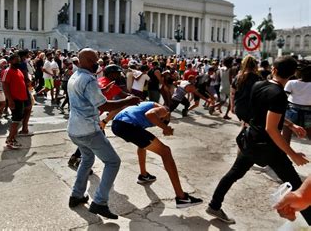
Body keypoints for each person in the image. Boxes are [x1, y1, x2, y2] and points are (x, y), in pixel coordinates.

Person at [206, 56, 311, 225]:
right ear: (292, 75)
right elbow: (271, 127)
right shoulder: (279, 95)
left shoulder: (258, 85)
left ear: (274, 70)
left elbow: (265, 115)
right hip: (268, 147)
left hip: (250, 139)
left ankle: (214, 205)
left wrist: (291, 125)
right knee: (297, 187)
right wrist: (292, 154)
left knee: (234, 174)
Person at [67, 48, 140, 219]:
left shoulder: (74, 76)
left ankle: (76, 195)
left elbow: (87, 99)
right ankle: (99, 202)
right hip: (88, 130)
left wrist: (103, 92)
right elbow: (104, 106)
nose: (96, 64)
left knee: (87, 159)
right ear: (82, 60)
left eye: (97, 60)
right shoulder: (89, 79)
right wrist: (129, 100)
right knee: (113, 162)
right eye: (91, 60)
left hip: (74, 129)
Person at [112, 102, 203, 208]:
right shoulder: (163, 110)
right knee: (166, 152)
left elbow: (125, 109)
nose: (161, 121)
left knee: (143, 144)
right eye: (165, 120)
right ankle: (182, 197)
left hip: (117, 125)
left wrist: (105, 121)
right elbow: (150, 115)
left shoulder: (142, 107)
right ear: (168, 114)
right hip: (127, 126)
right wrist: (165, 128)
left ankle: (144, 175)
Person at [2, 53, 28, 149]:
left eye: (19, 60)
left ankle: (11, 138)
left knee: (17, 120)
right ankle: (11, 140)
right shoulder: (8, 71)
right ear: (10, 61)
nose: (18, 62)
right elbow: (5, 86)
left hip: (21, 99)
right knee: (16, 120)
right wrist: (10, 100)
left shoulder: (18, 70)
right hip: (15, 100)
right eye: (16, 60)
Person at [283, 60, 311, 142]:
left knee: (285, 139)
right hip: (309, 113)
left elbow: (283, 98)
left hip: (291, 112)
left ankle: (283, 154)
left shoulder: (291, 83)